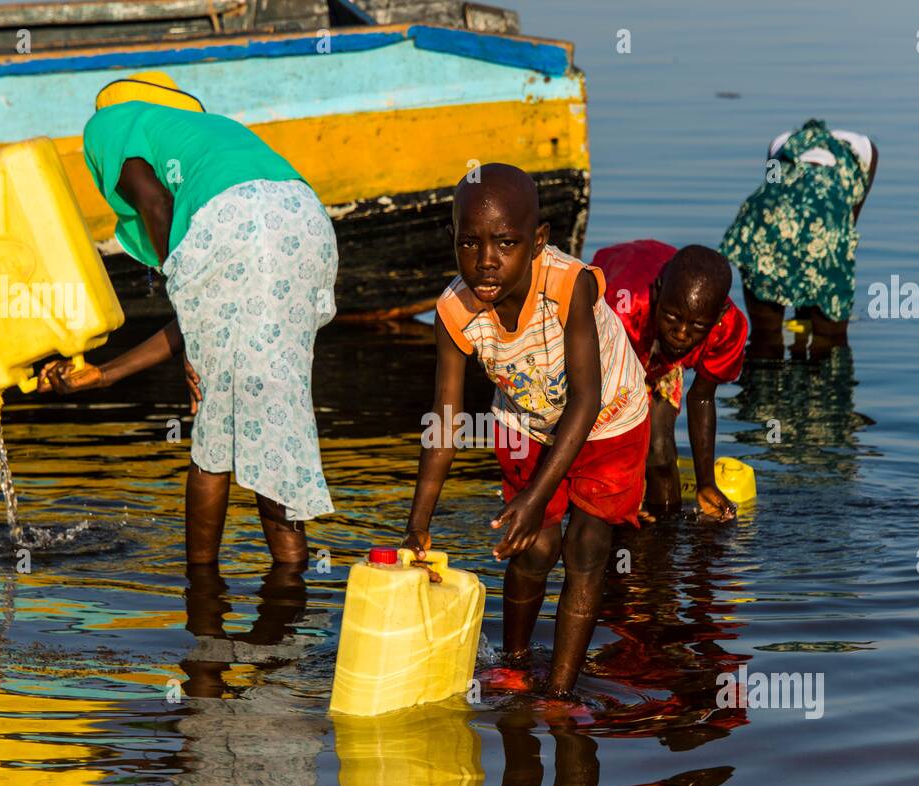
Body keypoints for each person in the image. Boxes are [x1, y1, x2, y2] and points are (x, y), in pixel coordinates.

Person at [39, 71, 338, 566]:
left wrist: (188, 311)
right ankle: (291, 569)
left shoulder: (113, 122)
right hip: (306, 225)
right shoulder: (210, 135)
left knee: (215, 433)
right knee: (271, 410)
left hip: (238, 222)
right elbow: (205, 312)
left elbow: (155, 203)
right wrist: (105, 373)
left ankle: (200, 585)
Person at [402, 163, 649, 698]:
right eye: (470, 242)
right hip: (527, 422)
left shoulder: (567, 286)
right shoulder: (454, 310)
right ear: (452, 240)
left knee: (586, 547)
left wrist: (537, 495)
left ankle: (560, 692)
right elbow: (444, 422)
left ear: (537, 242)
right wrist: (417, 524)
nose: (486, 260)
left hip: (608, 418)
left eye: (506, 243)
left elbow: (586, 400)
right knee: (532, 546)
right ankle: (513, 666)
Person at [590, 241, 747, 521]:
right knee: (617, 456)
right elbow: (607, 397)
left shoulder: (729, 328)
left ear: (718, 316)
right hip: (621, 340)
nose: (682, 334)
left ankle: (665, 534)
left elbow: (701, 397)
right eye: (672, 318)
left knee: (660, 453)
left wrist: (706, 483)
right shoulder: (623, 308)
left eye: (697, 326)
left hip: (654, 339)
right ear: (658, 293)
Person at [719, 119, 878, 357]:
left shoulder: (780, 143)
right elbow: (847, 221)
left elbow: (773, 190)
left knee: (765, 337)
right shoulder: (865, 151)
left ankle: (765, 385)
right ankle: (824, 385)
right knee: (830, 341)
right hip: (823, 227)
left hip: (762, 225)